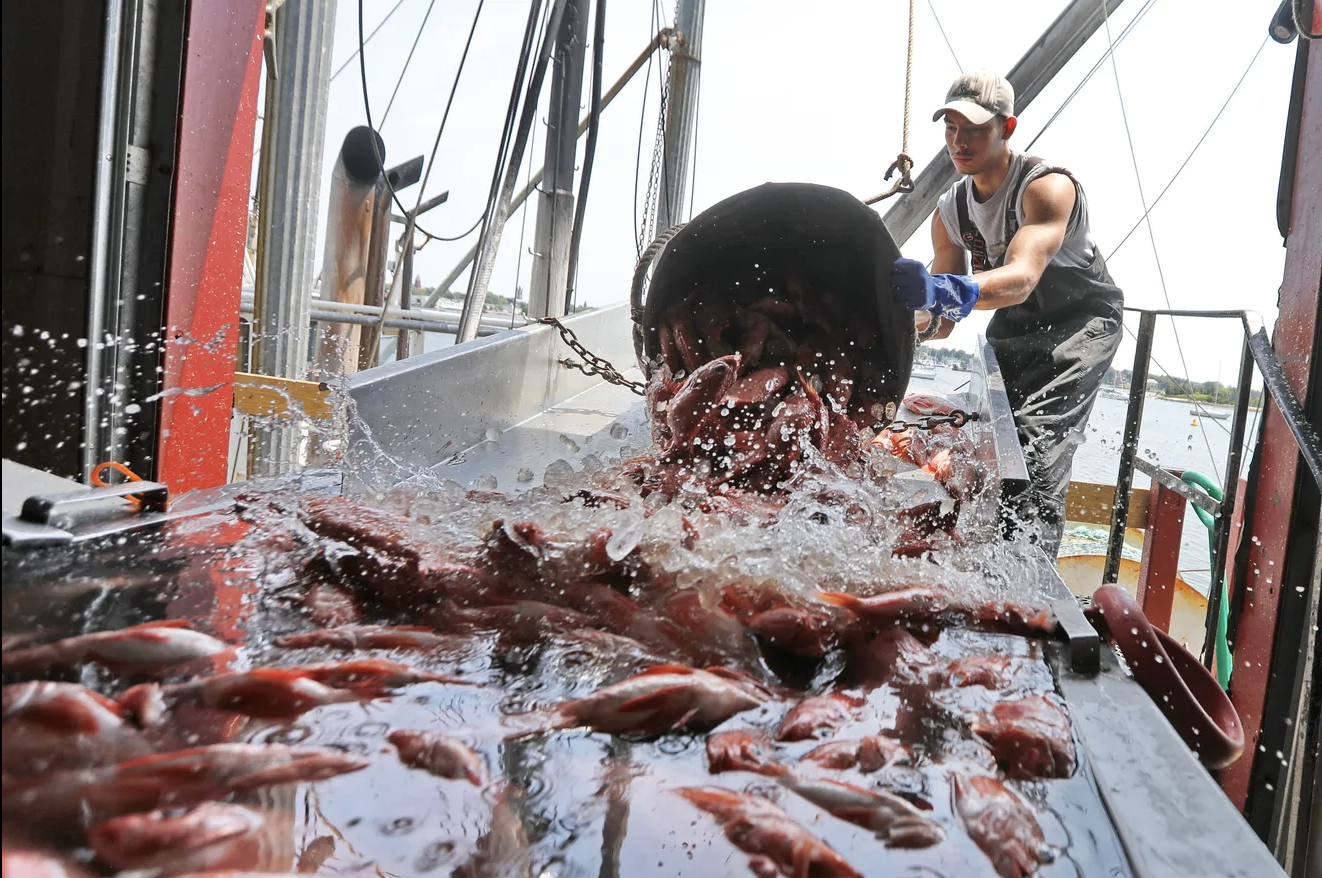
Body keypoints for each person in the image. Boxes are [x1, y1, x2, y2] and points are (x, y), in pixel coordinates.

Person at [889, 71, 1124, 558]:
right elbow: (944, 321)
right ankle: (977, 561)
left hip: (1080, 324)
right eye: (951, 127)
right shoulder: (950, 210)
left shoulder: (1047, 188)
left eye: (973, 128)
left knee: (1035, 455)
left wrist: (940, 287)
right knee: (988, 443)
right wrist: (897, 321)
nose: (959, 141)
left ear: (1007, 129)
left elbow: (1020, 278)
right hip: (1016, 327)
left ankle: (1029, 589)